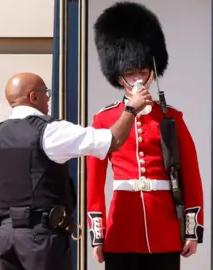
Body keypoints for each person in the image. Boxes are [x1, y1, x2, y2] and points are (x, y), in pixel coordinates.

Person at [0, 72, 152, 270]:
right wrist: (131, 108)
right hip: (41, 237)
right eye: (46, 93)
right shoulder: (50, 131)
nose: (48, 98)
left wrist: (8, 210)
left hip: (5, 237)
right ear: (34, 97)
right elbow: (113, 140)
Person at [87, 2, 204, 270]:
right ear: (120, 79)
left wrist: (191, 229)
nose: (138, 78)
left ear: (152, 73)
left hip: (163, 226)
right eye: (130, 72)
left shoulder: (171, 117)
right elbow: (94, 181)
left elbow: (191, 176)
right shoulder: (104, 119)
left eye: (142, 71)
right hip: (122, 226)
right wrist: (98, 233)